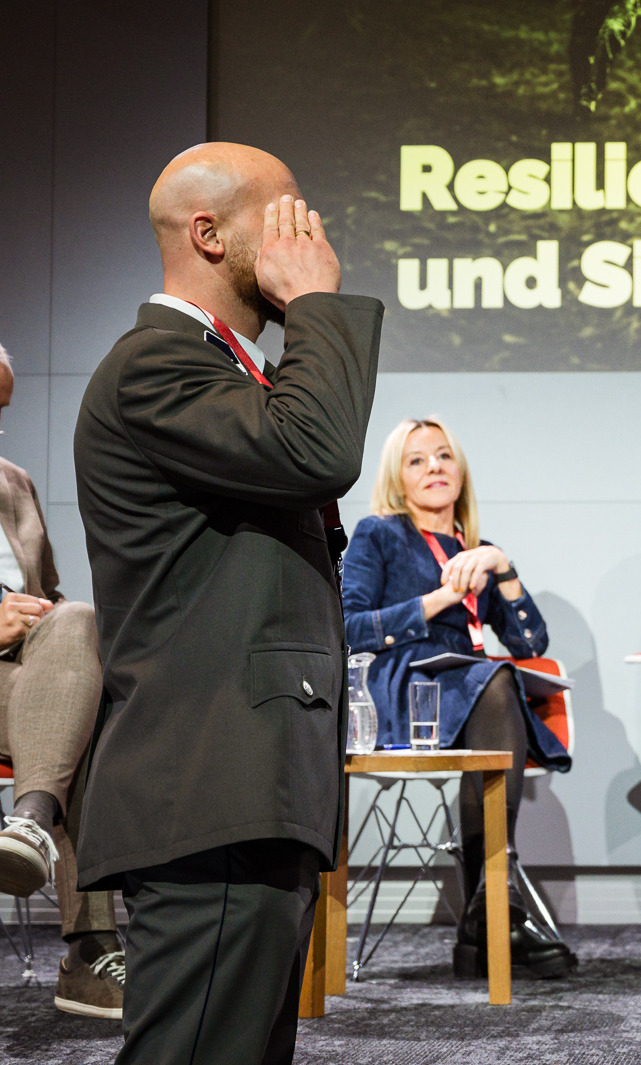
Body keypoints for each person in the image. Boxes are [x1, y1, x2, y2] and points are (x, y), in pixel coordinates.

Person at [73, 144, 382, 1064]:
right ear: (209, 234)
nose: (308, 233)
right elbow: (315, 453)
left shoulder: (221, 369)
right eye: (284, 213)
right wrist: (319, 305)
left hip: (248, 791)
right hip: (209, 786)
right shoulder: (153, 366)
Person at [342, 416, 575, 978]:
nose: (434, 468)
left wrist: (504, 567)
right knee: (494, 682)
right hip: (403, 686)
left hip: (468, 689)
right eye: (416, 460)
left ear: (460, 469)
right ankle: (498, 898)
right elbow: (349, 627)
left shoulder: (479, 549)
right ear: (398, 476)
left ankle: (483, 922)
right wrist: (440, 599)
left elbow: (530, 642)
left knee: (496, 677)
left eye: (444, 456)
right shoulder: (379, 533)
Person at [0, 346, 123, 1019]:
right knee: (83, 718)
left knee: (81, 628)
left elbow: (48, 592)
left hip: (27, 679)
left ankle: (28, 820)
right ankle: (91, 946)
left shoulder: (12, 480)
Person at [569, 0, 641, 114]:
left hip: (622, 5)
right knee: (579, 46)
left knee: (608, 38)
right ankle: (582, 93)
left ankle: (589, 97)